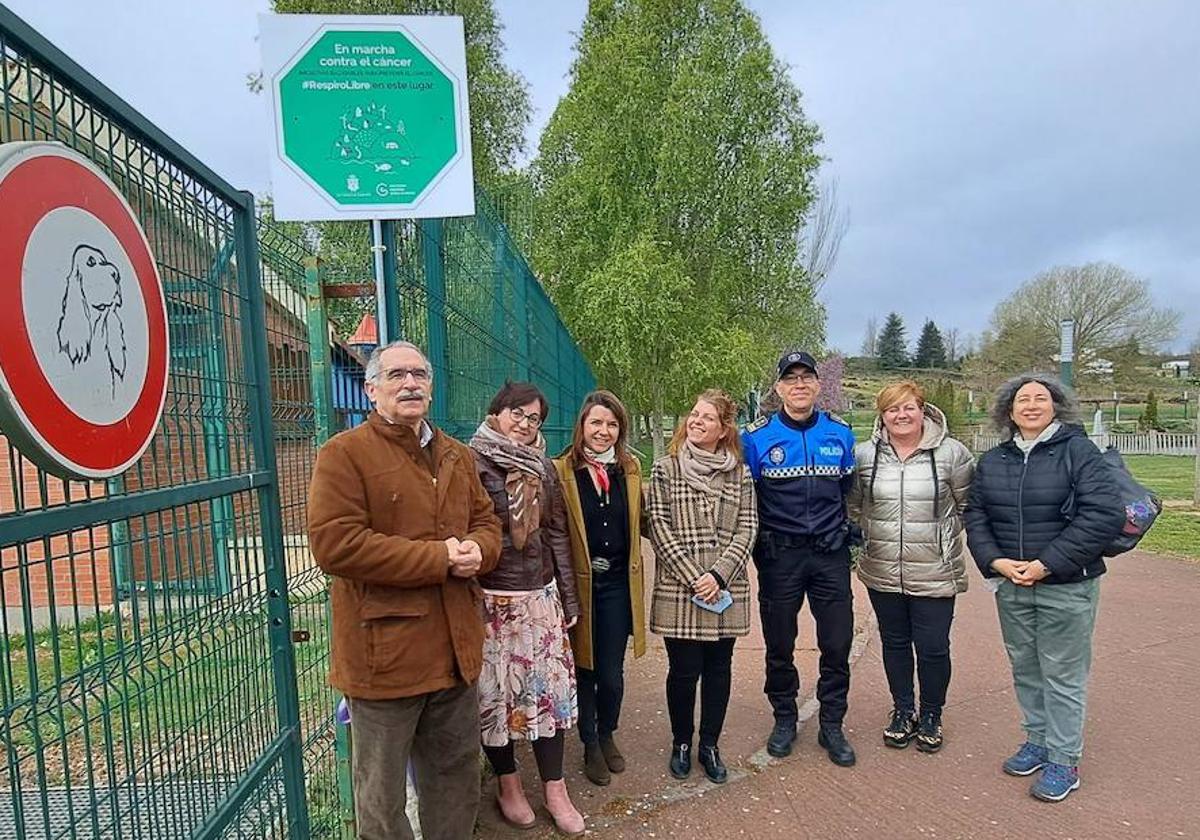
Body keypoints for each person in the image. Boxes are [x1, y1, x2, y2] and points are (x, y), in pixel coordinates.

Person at [306, 340, 502, 840]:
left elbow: (486, 521)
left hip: (456, 654)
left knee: (455, 782)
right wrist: (439, 558)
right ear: (371, 389)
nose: (410, 383)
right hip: (384, 660)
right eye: (395, 375)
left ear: (431, 389)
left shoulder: (457, 455)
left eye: (419, 374)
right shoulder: (344, 454)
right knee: (381, 797)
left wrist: (480, 550)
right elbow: (336, 544)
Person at [964, 373, 1124, 802]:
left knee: (1063, 674)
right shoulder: (995, 459)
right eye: (1022, 400)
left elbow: (1103, 514)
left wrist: (1045, 564)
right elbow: (975, 514)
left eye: (1041, 398)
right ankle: (1037, 740)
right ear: (1008, 410)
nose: (1031, 405)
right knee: (1027, 668)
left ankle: (1064, 759)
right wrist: (995, 561)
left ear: (1056, 405)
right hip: (1011, 584)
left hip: (1067, 584)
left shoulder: (1079, 452)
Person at [469, 382, 585, 835]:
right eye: (517, 413)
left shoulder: (543, 466)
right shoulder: (471, 461)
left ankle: (556, 789)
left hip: (540, 598)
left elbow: (557, 532)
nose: (525, 423)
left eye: (534, 418)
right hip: (491, 602)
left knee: (547, 696)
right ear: (496, 412)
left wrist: (568, 598)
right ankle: (509, 785)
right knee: (495, 698)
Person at [741, 350, 858, 767]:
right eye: (790, 379)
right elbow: (746, 498)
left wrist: (849, 536)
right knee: (779, 644)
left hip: (830, 555)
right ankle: (785, 717)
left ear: (818, 384)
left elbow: (850, 492)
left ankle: (832, 723)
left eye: (806, 377)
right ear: (779, 388)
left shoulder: (840, 433)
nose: (799, 385)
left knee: (837, 642)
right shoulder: (755, 437)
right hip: (780, 557)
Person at [848, 381, 975, 753]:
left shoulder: (952, 453)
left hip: (935, 570)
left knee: (934, 647)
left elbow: (969, 506)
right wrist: (870, 538)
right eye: (892, 410)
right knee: (896, 644)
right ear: (882, 416)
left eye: (908, 408)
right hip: (882, 569)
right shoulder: (864, 456)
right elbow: (855, 507)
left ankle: (931, 713)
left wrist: (941, 541)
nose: (901, 416)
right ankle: (903, 709)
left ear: (923, 410)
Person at [647, 389, 758, 784]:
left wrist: (719, 575)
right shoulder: (665, 469)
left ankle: (709, 744)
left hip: (724, 589)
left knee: (718, 669)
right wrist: (695, 575)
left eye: (706, 417)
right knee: (683, 670)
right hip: (681, 588)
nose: (695, 421)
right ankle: (681, 741)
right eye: (693, 414)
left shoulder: (740, 473)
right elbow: (658, 527)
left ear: (724, 429)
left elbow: (748, 528)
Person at [553, 390, 647, 786]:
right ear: (582, 426)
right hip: (579, 586)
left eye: (611, 425)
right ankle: (589, 742)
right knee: (585, 669)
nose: (603, 431)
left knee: (611, 671)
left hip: (617, 587)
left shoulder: (630, 469)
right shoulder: (561, 471)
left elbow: (644, 520)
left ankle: (607, 731)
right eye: (596, 423)